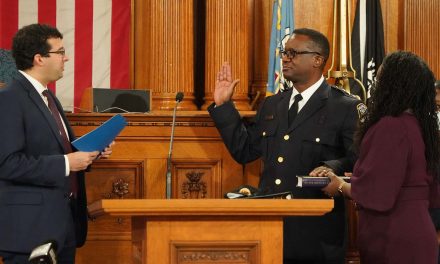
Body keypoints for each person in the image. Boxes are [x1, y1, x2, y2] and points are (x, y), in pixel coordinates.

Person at [208, 28, 364, 264]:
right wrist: (223, 106)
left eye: (292, 53)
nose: (284, 58)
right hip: (271, 225)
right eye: (284, 52)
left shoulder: (344, 106)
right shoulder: (272, 105)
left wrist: (329, 167)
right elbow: (245, 150)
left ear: (317, 60)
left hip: (316, 229)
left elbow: (358, 158)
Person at [0, 24, 113, 264]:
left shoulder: (48, 96)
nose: (67, 57)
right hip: (30, 232)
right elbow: (7, 164)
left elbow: (56, 149)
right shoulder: (9, 98)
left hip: (62, 226)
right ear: (39, 58)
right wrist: (66, 162)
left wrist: (90, 152)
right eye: (60, 52)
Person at [322, 51, 440, 263]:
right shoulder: (422, 126)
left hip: (393, 235)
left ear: (392, 85)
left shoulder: (390, 126)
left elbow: (377, 193)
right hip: (419, 231)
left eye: (379, 78)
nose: (375, 84)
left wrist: (340, 185)